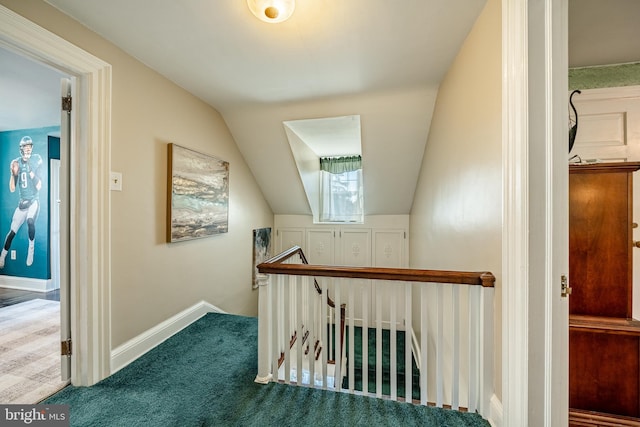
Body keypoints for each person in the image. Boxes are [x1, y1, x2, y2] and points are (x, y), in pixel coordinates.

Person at [0, 136, 43, 268]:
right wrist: (13, 174)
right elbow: (12, 188)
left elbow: (39, 186)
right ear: (21, 149)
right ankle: (2, 256)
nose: (28, 149)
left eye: (30, 146)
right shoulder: (17, 162)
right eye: (26, 146)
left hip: (33, 201)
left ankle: (31, 250)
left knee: (30, 221)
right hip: (22, 203)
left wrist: (29, 169)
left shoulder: (36, 159)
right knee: (12, 231)